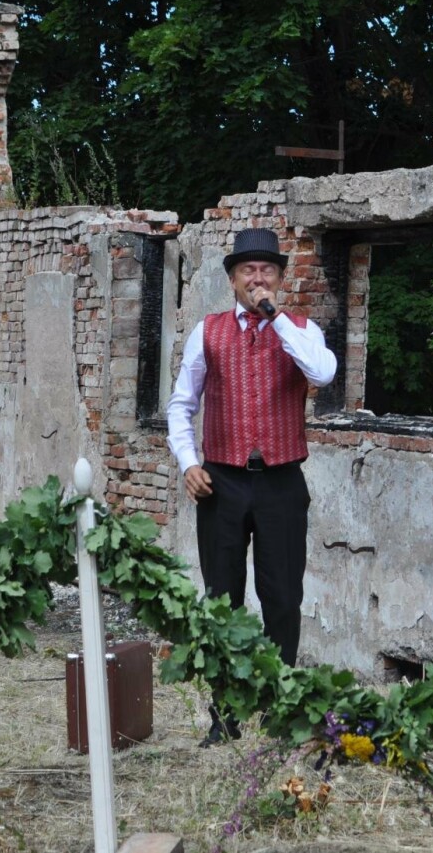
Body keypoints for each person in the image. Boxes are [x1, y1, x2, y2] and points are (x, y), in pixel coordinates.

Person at [166, 227, 337, 743]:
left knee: (282, 598)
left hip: (282, 482)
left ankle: (282, 710)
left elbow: (323, 374)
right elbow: (181, 404)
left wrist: (276, 317)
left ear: (281, 279)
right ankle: (225, 717)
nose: (257, 278)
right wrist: (188, 463)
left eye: (267, 271)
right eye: (248, 270)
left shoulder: (302, 331)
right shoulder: (209, 331)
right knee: (223, 600)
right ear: (232, 280)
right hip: (221, 483)